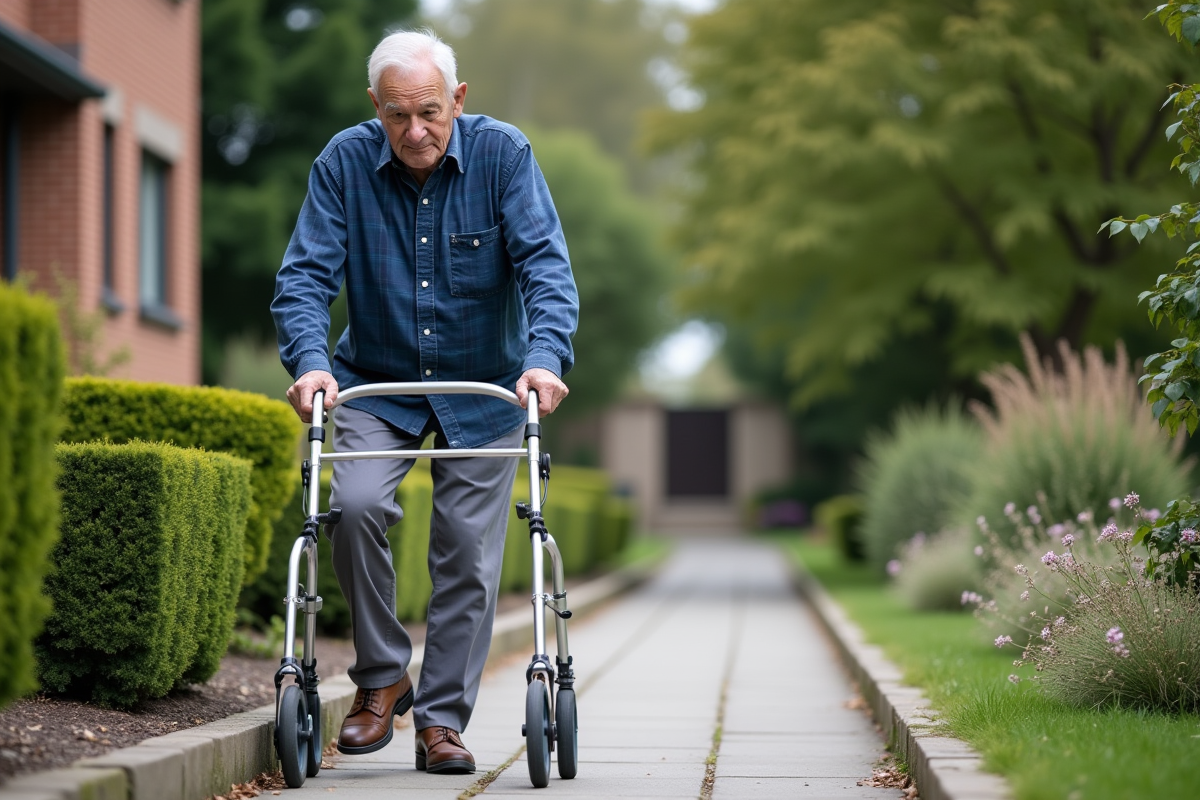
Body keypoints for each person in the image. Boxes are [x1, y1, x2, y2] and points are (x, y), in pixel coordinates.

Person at [271, 28, 578, 775]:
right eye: (398, 116)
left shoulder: (505, 157)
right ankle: (381, 678)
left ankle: (441, 722)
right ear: (375, 107)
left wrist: (544, 361)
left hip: (486, 389)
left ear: (459, 100)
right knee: (357, 506)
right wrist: (311, 365)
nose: (416, 132)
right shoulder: (344, 164)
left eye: (431, 114)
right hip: (378, 384)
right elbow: (305, 277)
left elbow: (545, 268)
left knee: (468, 557)